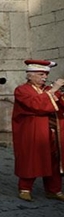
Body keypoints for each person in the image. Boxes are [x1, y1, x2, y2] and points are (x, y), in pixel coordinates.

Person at [12, 59, 64, 201]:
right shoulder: (22, 90)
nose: (45, 77)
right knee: (31, 159)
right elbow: (36, 104)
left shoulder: (47, 90)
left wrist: (58, 93)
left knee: (54, 160)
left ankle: (53, 190)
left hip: (52, 132)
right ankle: (25, 188)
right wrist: (54, 91)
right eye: (41, 74)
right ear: (30, 75)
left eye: (46, 75)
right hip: (31, 131)